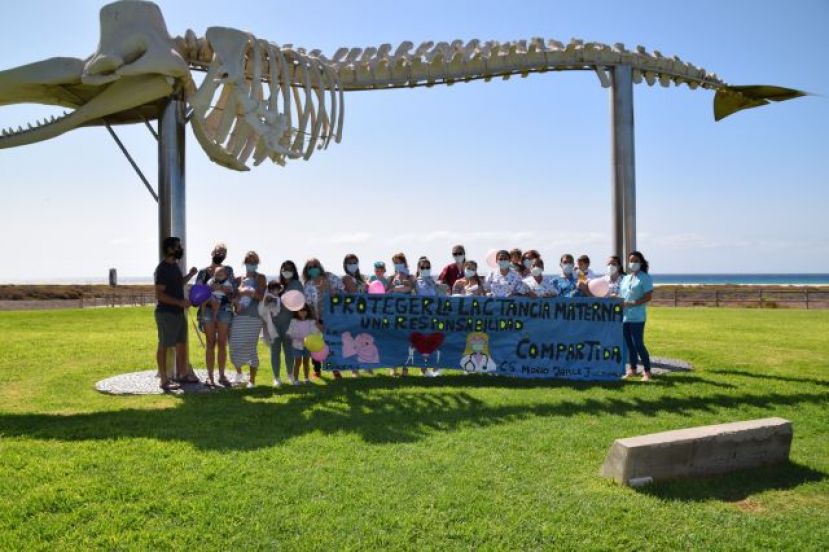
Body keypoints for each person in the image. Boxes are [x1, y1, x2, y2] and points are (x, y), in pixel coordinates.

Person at [154, 236, 198, 391]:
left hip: (179, 313)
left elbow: (178, 284)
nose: (180, 249)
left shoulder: (175, 267)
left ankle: (183, 374)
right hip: (166, 313)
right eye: (177, 246)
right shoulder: (163, 268)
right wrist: (180, 302)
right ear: (169, 249)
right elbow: (160, 295)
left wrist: (190, 275)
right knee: (164, 345)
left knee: (181, 344)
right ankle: (164, 380)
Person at [195, 243, 235, 387]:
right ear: (212, 252)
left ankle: (222, 375)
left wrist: (222, 288)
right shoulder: (203, 272)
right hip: (207, 311)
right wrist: (210, 290)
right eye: (219, 251)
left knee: (222, 343)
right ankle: (210, 376)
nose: (221, 254)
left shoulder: (228, 270)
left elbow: (233, 292)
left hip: (224, 309)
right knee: (210, 343)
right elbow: (197, 293)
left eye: (224, 252)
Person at [229, 251, 267, 387]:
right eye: (249, 261)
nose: (252, 264)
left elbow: (262, 297)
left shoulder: (261, 278)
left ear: (257, 264)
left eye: (254, 262)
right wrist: (237, 297)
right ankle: (239, 372)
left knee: (251, 347)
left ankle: (252, 380)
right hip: (239, 316)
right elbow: (232, 296)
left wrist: (248, 292)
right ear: (244, 262)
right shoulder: (238, 279)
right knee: (234, 345)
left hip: (255, 316)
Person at [302, 258, 344, 378]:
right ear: (307, 270)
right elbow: (308, 305)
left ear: (319, 266)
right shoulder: (308, 285)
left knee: (332, 343)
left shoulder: (329, 277)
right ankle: (317, 370)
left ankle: (335, 370)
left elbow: (342, 289)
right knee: (316, 344)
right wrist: (316, 322)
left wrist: (333, 291)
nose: (313, 268)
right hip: (316, 318)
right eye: (310, 267)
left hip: (333, 317)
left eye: (315, 265)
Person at [620, 251, 654, 381]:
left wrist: (633, 303)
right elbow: (622, 294)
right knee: (629, 345)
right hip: (625, 316)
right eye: (631, 261)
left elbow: (648, 296)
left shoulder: (645, 277)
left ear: (641, 262)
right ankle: (633, 369)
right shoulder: (626, 277)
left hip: (638, 317)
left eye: (635, 260)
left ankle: (647, 371)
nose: (632, 263)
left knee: (638, 344)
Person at [269, 260, 303, 387]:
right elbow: (268, 301)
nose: (287, 271)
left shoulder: (297, 284)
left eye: (289, 269)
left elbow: (299, 303)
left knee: (289, 351)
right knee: (275, 351)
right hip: (274, 323)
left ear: (294, 271)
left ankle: (291, 376)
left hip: (289, 323)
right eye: (284, 268)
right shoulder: (276, 283)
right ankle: (276, 378)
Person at [341, 254, 370, 376]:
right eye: (350, 263)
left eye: (355, 262)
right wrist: (365, 286)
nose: (353, 265)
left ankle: (366, 365)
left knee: (365, 339)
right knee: (354, 341)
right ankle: (354, 369)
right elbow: (353, 291)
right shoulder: (347, 278)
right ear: (345, 265)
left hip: (363, 312)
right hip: (352, 313)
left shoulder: (361, 278)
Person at [286, 303, 321, 385]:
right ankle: (295, 380)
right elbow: (289, 333)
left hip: (307, 346)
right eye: (301, 311)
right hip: (297, 346)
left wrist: (313, 336)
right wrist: (293, 336)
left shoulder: (311, 321)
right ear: (297, 312)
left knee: (306, 362)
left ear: (308, 312)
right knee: (297, 362)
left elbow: (315, 332)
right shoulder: (293, 321)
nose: (303, 312)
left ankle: (306, 379)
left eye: (305, 311)